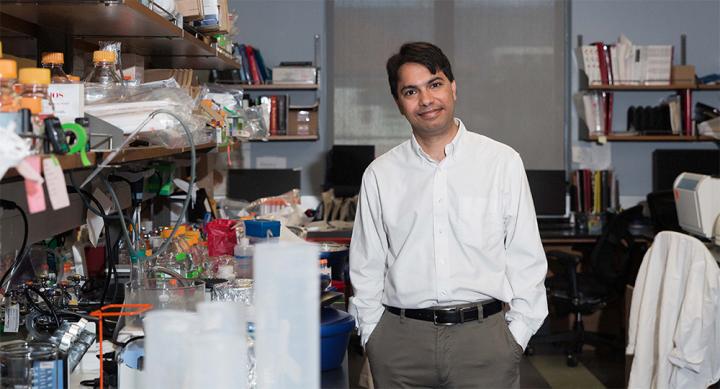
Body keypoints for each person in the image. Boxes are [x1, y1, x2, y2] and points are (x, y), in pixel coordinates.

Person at [349, 42, 548, 388]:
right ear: (399, 103)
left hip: (485, 343)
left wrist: (516, 336)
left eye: (435, 84)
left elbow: (526, 257)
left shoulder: (502, 163)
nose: (426, 100)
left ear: (453, 87)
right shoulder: (380, 174)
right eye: (411, 91)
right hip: (399, 345)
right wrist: (372, 336)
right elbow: (366, 264)